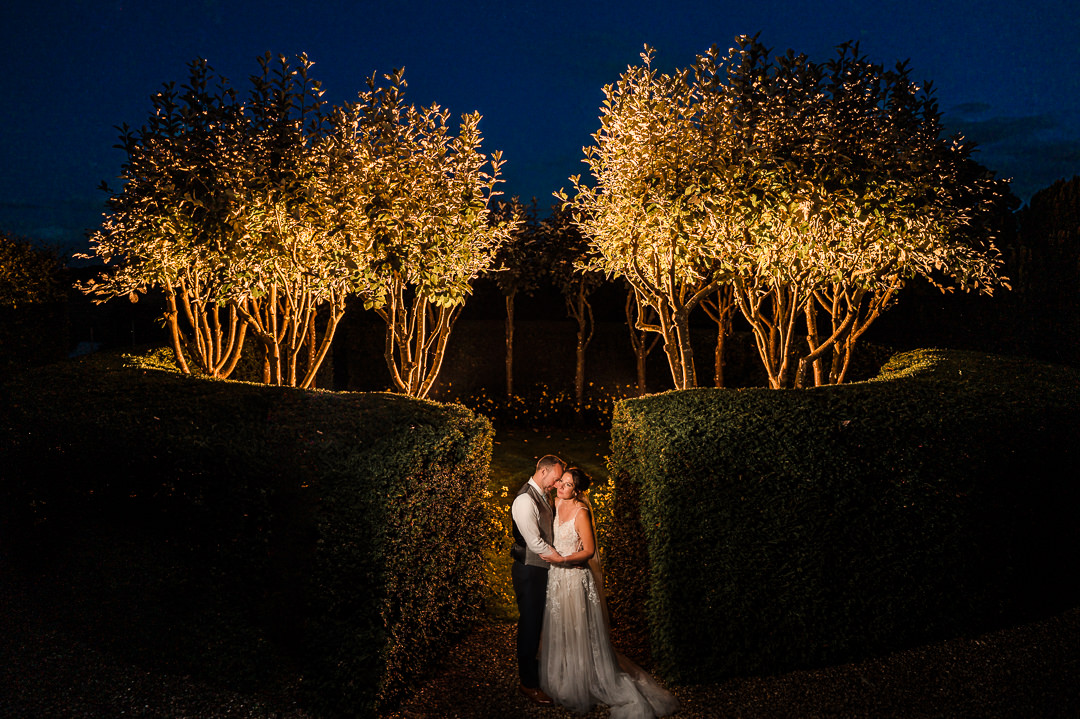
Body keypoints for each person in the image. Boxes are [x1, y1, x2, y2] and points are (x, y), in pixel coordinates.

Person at [540, 467, 679, 718]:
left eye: (568, 484)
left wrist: (564, 560)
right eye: (562, 481)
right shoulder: (556, 501)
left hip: (573, 577)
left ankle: (586, 680)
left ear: (578, 490)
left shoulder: (581, 513)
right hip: (557, 578)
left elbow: (589, 551)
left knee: (579, 629)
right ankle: (562, 676)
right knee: (560, 625)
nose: (561, 486)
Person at [510, 454, 566, 706]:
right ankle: (527, 684)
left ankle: (539, 672)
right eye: (555, 479)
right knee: (530, 625)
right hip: (530, 571)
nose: (556, 484)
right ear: (543, 472)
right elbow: (535, 543)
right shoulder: (524, 500)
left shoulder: (542, 495)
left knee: (540, 622)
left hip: (543, 568)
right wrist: (564, 560)